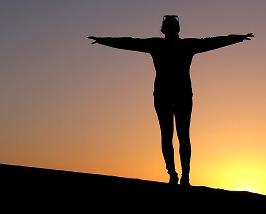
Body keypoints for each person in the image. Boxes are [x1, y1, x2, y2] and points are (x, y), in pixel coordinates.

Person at [88, 15, 253, 186]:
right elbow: (130, 42)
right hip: (172, 95)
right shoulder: (179, 45)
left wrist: (238, 38)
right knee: (178, 136)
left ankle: (179, 174)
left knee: (173, 136)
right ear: (176, 29)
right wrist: (103, 40)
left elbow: (130, 42)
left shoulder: (165, 45)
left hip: (171, 95)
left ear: (163, 29)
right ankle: (179, 174)